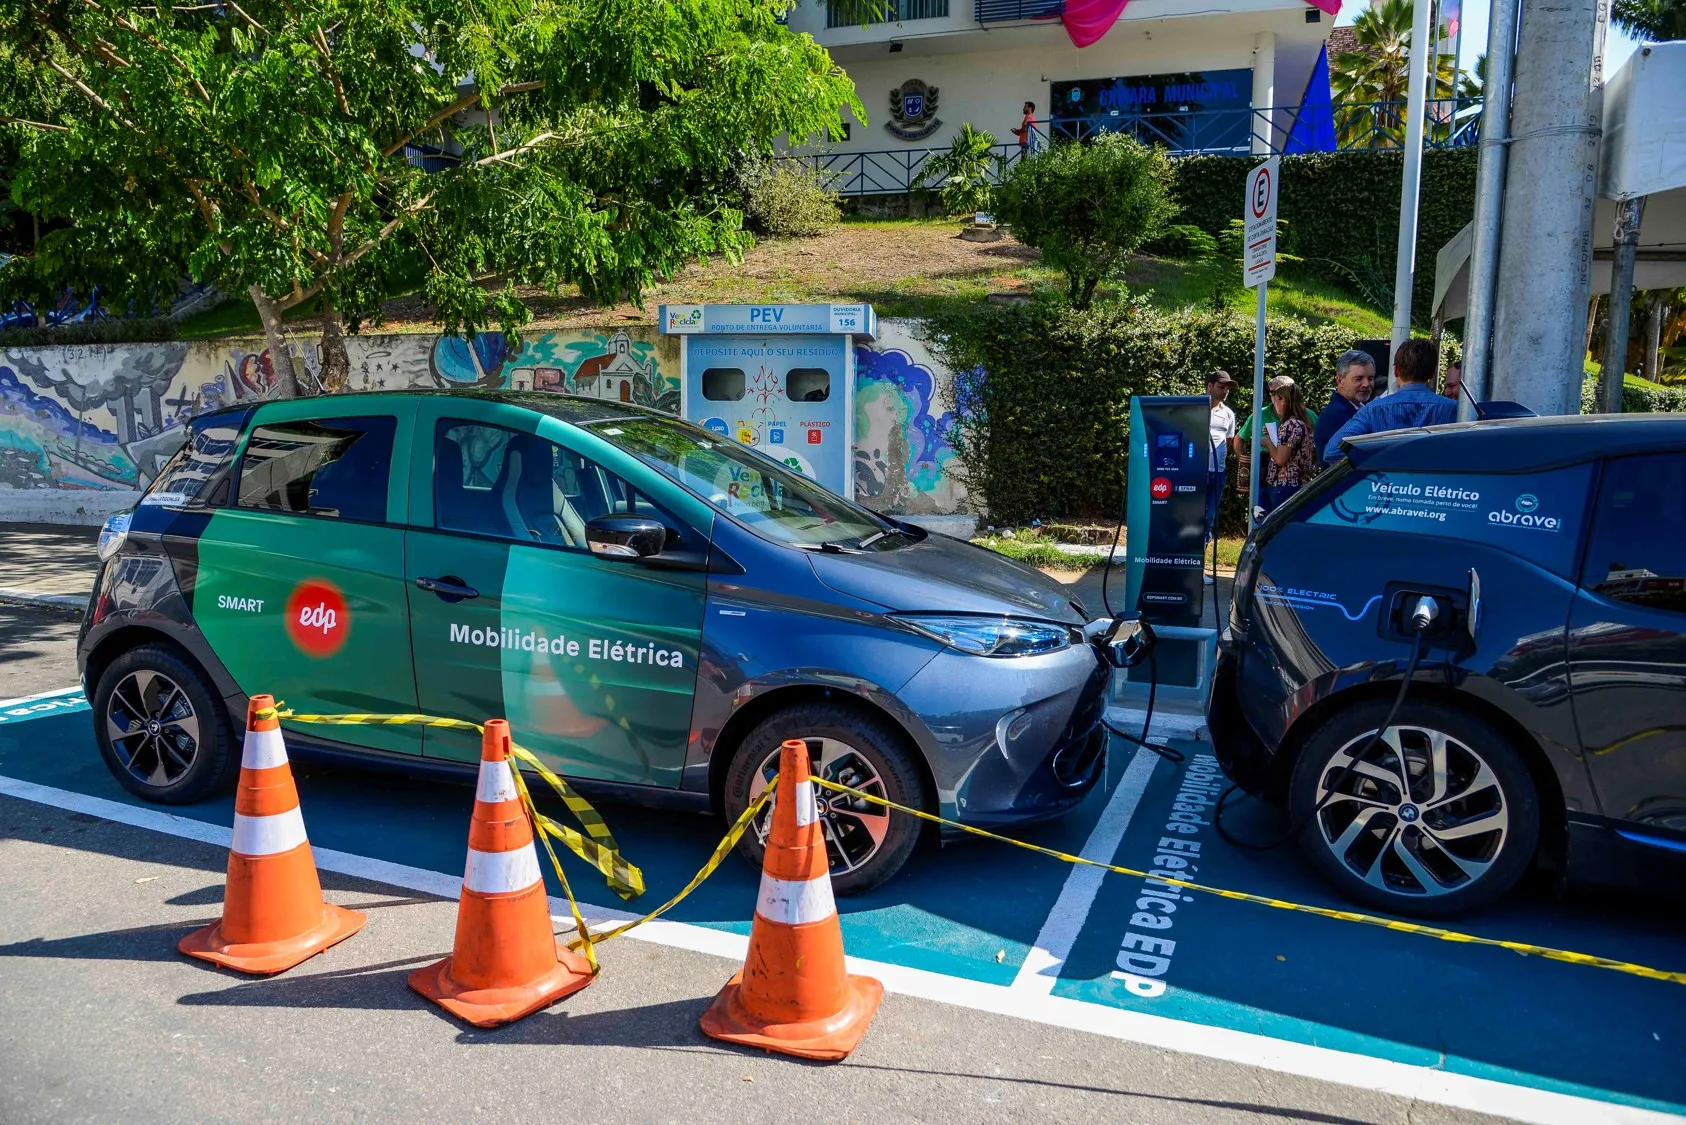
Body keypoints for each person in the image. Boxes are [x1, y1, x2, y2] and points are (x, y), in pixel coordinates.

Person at [1324, 338, 1459, 462]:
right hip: (1438, 486)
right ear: (1433, 373)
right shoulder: (1456, 410)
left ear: (1396, 371)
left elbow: (1333, 452)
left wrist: (1382, 459)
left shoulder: (1373, 410)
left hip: (1389, 485)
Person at [1259, 377, 1315, 515]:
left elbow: (1281, 459)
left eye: (1276, 399)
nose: (1274, 403)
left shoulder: (1290, 424)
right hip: (1298, 484)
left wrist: (1267, 442)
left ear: (1283, 400)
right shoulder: (1302, 422)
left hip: (1285, 486)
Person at [1312, 349, 1377, 467]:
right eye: (1358, 378)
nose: (1366, 384)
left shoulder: (1361, 410)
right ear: (1340, 380)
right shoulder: (1334, 416)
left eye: (1370, 378)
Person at [1205, 371, 1237, 583]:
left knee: (1208, 518)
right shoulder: (1194, 407)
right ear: (1209, 385)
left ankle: (1198, 566)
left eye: (1227, 387)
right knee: (1189, 518)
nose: (1225, 391)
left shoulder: (1228, 414)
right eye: (1221, 386)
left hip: (1218, 472)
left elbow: (1229, 441)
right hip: (1194, 472)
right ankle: (1185, 564)